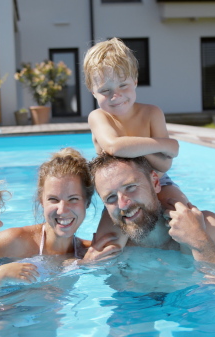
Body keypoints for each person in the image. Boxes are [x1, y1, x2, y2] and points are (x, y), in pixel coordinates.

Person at [83, 37, 188, 251]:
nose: (116, 95)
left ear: (135, 81)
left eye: (123, 85)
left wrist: (150, 151)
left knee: (186, 216)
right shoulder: (98, 117)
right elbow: (114, 147)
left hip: (160, 180)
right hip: (117, 191)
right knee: (106, 247)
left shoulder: (151, 113)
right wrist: (161, 145)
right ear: (92, 91)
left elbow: (164, 167)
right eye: (105, 90)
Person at [89, 153, 215, 267]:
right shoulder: (109, 250)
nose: (123, 204)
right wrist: (84, 266)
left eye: (131, 187)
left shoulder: (208, 227)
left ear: (155, 182)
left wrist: (200, 242)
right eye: (110, 198)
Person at [0, 147, 115, 262]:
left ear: (87, 201)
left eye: (73, 199)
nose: (62, 210)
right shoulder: (15, 242)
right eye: (53, 199)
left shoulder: (89, 254)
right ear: (41, 201)